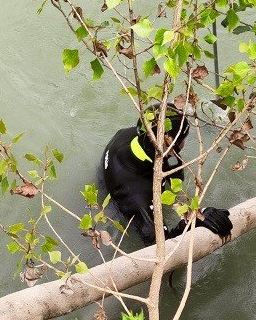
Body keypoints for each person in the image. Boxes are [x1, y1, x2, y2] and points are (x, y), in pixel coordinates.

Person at [100, 103, 233, 245]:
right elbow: (160, 247)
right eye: (183, 139)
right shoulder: (138, 197)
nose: (185, 144)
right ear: (169, 144)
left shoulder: (134, 134)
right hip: (118, 199)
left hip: (119, 165)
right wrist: (195, 220)